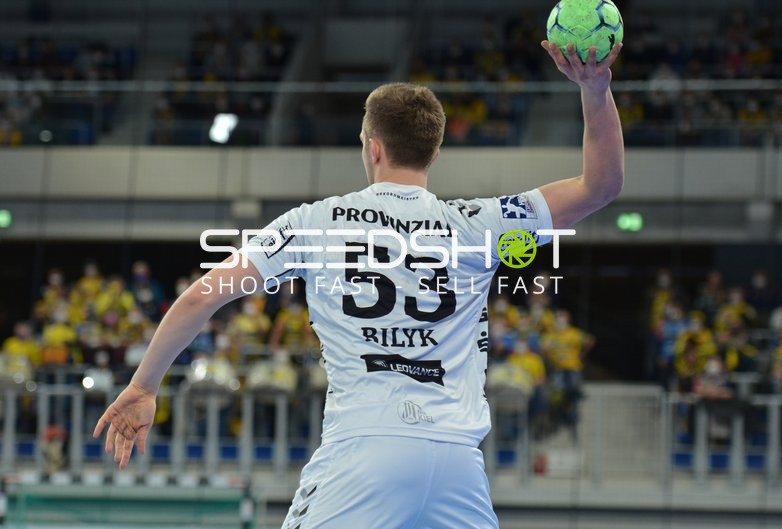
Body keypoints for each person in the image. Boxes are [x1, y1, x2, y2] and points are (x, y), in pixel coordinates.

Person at [93, 41, 623, 528]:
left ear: (373, 147)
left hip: (364, 450)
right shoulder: (479, 222)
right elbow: (601, 185)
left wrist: (143, 386)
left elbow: (202, 294)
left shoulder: (314, 222)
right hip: (458, 461)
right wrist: (594, 88)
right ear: (434, 151)